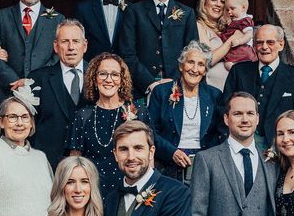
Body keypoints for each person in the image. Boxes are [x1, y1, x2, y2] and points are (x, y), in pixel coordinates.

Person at [66, 53, 152, 198]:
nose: (108, 79)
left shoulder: (139, 113)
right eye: (103, 74)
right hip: (93, 194)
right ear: (94, 78)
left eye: (114, 75)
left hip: (129, 191)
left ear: (121, 80)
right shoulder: (83, 115)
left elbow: (149, 159)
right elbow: (75, 163)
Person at [223, 24, 294, 149]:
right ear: (254, 46)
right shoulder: (238, 71)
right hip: (241, 144)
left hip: (281, 147)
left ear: (281, 45)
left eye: (270, 42)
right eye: (259, 43)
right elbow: (224, 109)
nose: (264, 47)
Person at [118, 0, 198, 98]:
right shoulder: (134, 11)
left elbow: (192, 52)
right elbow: (127, 53)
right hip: (141, 87)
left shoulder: (187, 13)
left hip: (177, 86)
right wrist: (149, 83)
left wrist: (175, 81)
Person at [147, 41, 224, 183]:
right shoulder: (162, 92)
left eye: (201, 64)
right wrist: (172, 152)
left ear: (205, 70)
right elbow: (150, 132)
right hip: (168, 162)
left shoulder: (215, 95)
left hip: (204, 163)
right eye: (190, 62)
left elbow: (219, 133)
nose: (195, 69)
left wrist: (207, 158)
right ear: (181, 65)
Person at [0, 0, 64, 104]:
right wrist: (15, 81)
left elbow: (59, 56)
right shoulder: (1, 16)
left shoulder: (58, 20)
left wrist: (35, 81)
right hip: (8, 93)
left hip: (44, 92)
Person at [30, 19, 90, 169]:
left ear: (85, 45)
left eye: (76, 41)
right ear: (56, 46)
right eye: (65, 42)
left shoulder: (99, 77)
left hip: (90, 164)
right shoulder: (38, 79)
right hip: (47, 165)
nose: (71, 47)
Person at [195, 0, 251, 91]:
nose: (218, 5)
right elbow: (208, 60)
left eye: (222, 2)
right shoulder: (199, 26)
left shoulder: (230, 27)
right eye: (213, 0)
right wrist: (231, 40)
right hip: (215, 88)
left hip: (239, 86)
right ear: (204, 3)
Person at [219, 0, 256, 69]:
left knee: (230, 64)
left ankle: (239, 72)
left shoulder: (244, 20)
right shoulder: (234, 20)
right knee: (227, 64)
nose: (229, 12)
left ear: (243, 7)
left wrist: (240, 41)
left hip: (242, 49)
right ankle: (237, 73)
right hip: (233, 50)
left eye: (232, 8)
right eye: (228, 10)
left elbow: (249, 34)